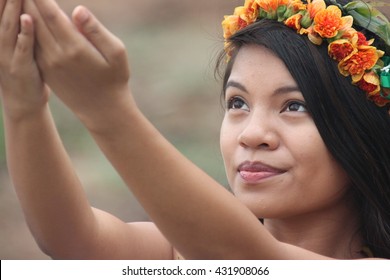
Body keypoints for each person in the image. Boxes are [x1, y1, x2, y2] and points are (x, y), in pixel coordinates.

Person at [0, 0, 389, 259]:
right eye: (237, 103)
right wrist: (23, 104)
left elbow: (243, 258)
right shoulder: (184, 253)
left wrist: (107, 112)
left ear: (360, 127)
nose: (252, 134)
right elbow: (70, 239)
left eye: (294, 106)